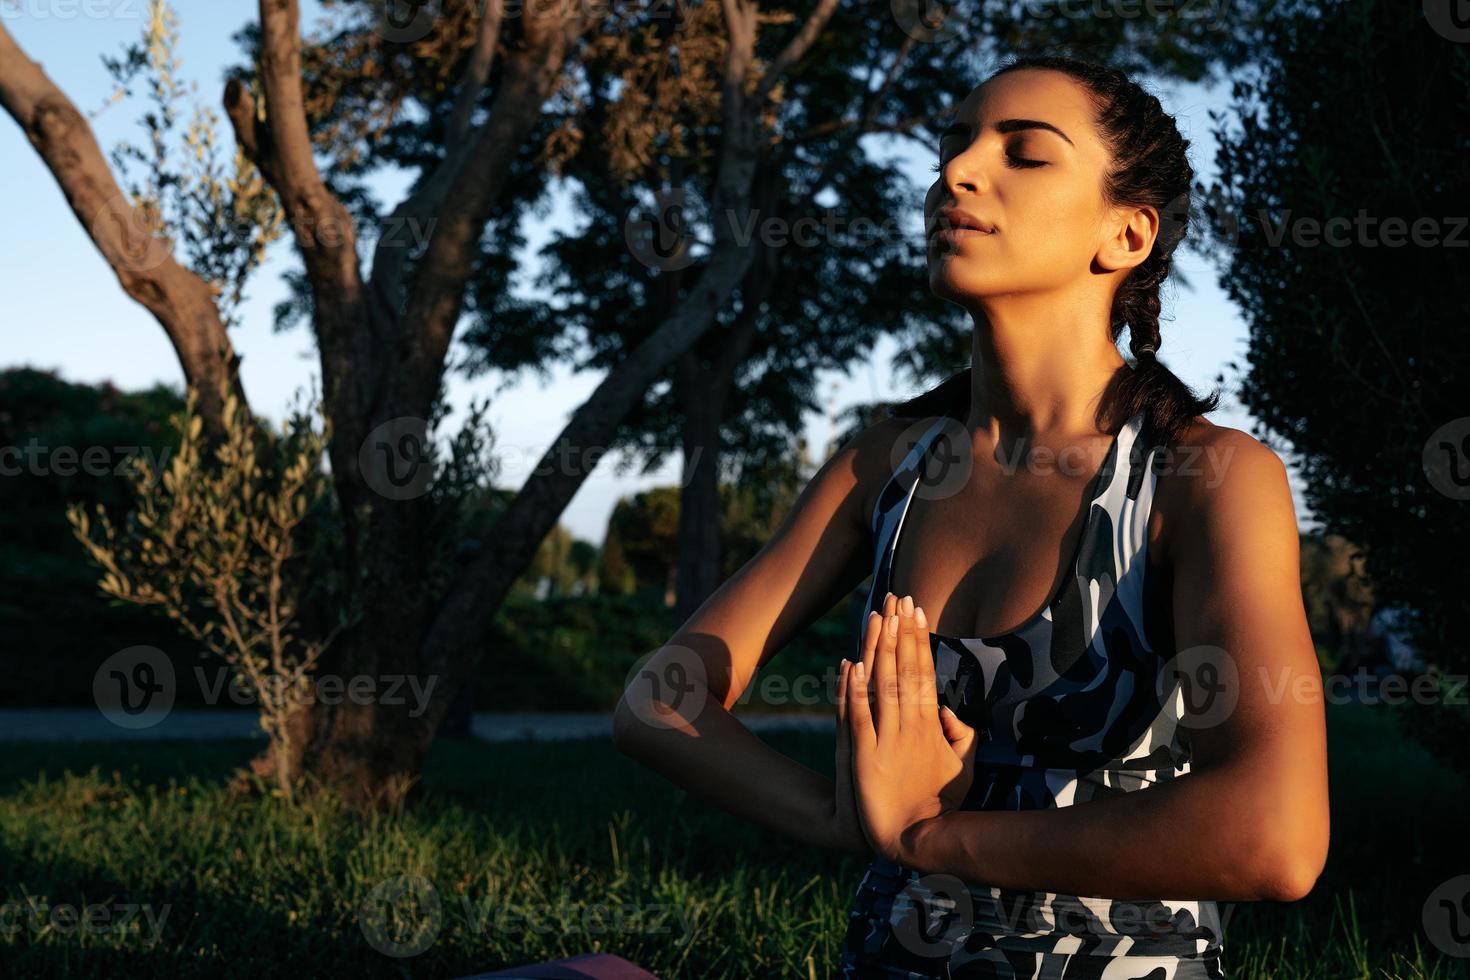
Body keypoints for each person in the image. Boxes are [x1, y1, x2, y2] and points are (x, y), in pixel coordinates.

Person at [613, 53, 1330, 979]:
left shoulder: (1206, 478)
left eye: (1024, 154)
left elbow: (1275, 836)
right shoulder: (885, 468)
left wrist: (932, 837)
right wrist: (846, 820)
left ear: (1127, 235)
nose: (956, 171)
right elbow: (654, 701)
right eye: (951, 144)